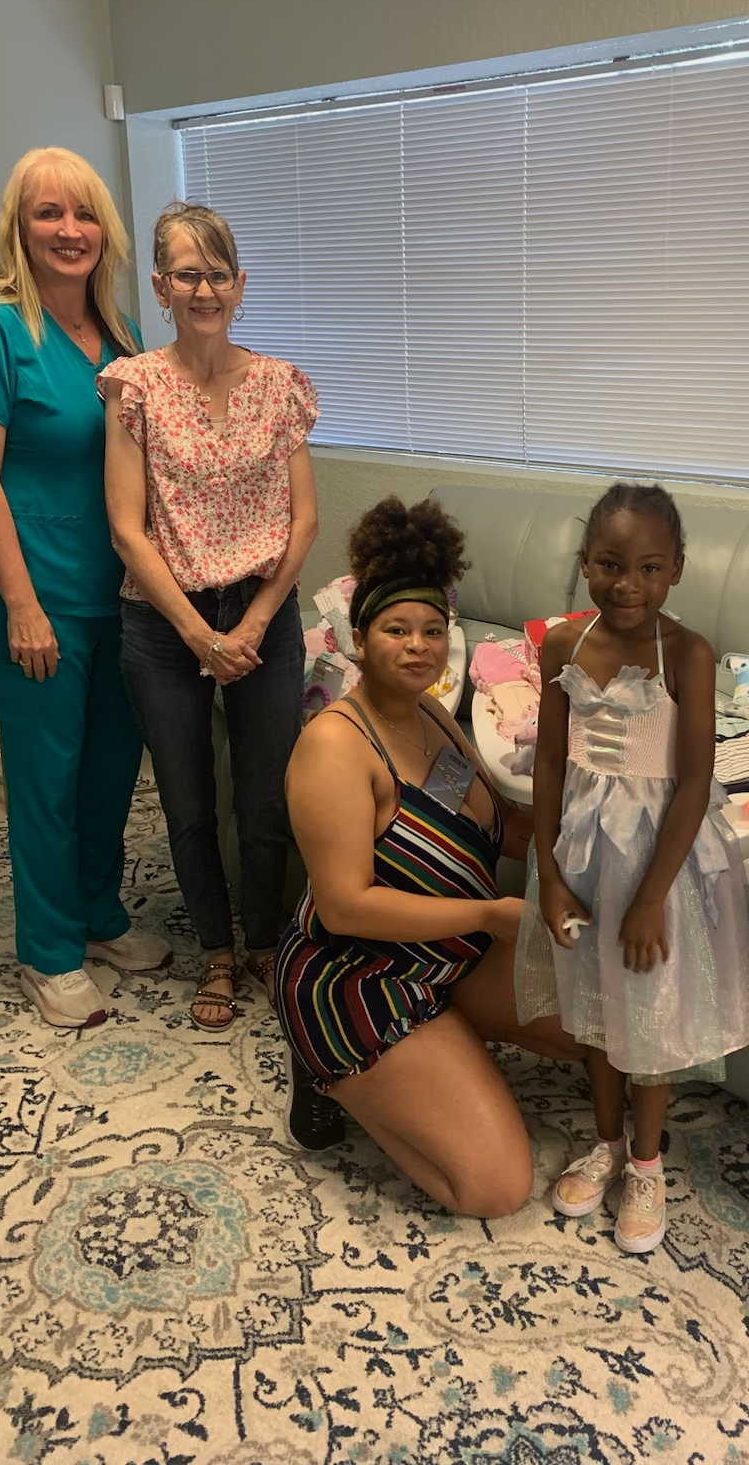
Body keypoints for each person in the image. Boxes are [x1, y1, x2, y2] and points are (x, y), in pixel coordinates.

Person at [277, 496, 579, 1213]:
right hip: (357, 975)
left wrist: (600, 826)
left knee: (602, 1030)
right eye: (395, 629)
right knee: (495, 1188)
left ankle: (444, 1045)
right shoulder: (333, 747)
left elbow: (501, 825)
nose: (418, 646)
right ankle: (331, 1073)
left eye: (432, 631)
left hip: (454, 955)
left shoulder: (435, 714)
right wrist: (494, 914)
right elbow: (347, 906)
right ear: (359, 637)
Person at [0, 147, 168, 1030]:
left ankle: (97, 912)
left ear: (104, 234)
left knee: (113, 770)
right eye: (48, 213)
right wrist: (22, 605)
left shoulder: (124, 343)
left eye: (83, 215)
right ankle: (48, 948)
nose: (68, 231)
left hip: (122, 595)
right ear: (20, 228)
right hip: (36, 596)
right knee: (47, 775)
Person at [517, 483, 749, 1253]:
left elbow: (694, 781)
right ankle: (607, 1142)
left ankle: (649, 1162)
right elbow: (552, 762)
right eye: (610, 564)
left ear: (677, 571)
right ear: (584, 564)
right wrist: (551, 872)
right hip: (584, 853)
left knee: (648, 1015)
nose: (628, 584)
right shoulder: (562, 644)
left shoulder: (689, 654)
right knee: (593, 1005)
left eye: (649, 568)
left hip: (658, 864)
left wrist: (653, 897)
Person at [101, 203, 319, 1030]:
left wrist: (255, 624)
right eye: (187, 273)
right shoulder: (134, 387)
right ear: (160, 286)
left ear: (240, 283)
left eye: (218, 272)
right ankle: (216, 953)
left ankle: (263, 942)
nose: (205, 289)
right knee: (189, 800)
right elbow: (127, 526)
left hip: (262, 610)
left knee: (265, 796)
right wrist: (198, 636)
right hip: (163, 622)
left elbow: (303, 521)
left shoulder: (280, 385)